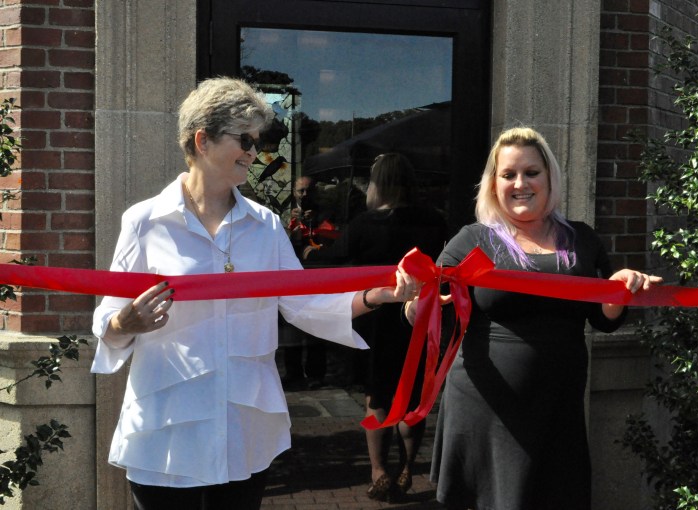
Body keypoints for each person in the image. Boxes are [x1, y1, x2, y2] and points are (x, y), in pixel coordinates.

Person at [90, 77, 424, 510]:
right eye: (244, 140)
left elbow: (302, 303)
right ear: (202, 139)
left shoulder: (264, 225)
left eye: (256, 141)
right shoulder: (145, 222)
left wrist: (376, 297)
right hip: (169, 425)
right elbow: (108, 320)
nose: (253, 152)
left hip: (242, 424)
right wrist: (124, 323)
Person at [404, 127, 662, 510]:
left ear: (549, 177)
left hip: (558, 409)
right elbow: (422, 314)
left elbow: (604, 320)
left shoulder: (582, 240)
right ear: (494, 184)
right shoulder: (471, 240)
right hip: (485, 409)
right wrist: (417, 297)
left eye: (531, 172)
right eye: (508, 175)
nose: (520, 183)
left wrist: (619, 290)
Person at [304, 153, 448, 502]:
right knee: (414, 397)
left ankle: (378, 470)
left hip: (378, 320)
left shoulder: (366, 224)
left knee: (378, 395)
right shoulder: (437, 222)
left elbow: (334, 258)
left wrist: (309, 253)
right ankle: (407, 468)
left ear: (378, 184)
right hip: (419, 319)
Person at [280, 175, 330, 390]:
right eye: (300, 191)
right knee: (291, 329)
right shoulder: (285, 216)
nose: (305, 195)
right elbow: (279, 245)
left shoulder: (326, 215)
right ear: (294, 193)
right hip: (292, 280)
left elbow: (332, 239)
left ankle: (316, 374)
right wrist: (293, 227)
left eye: (308, 191)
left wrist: (317, 224)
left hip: (316, 277)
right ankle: (294, 374)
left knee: (316, 329)